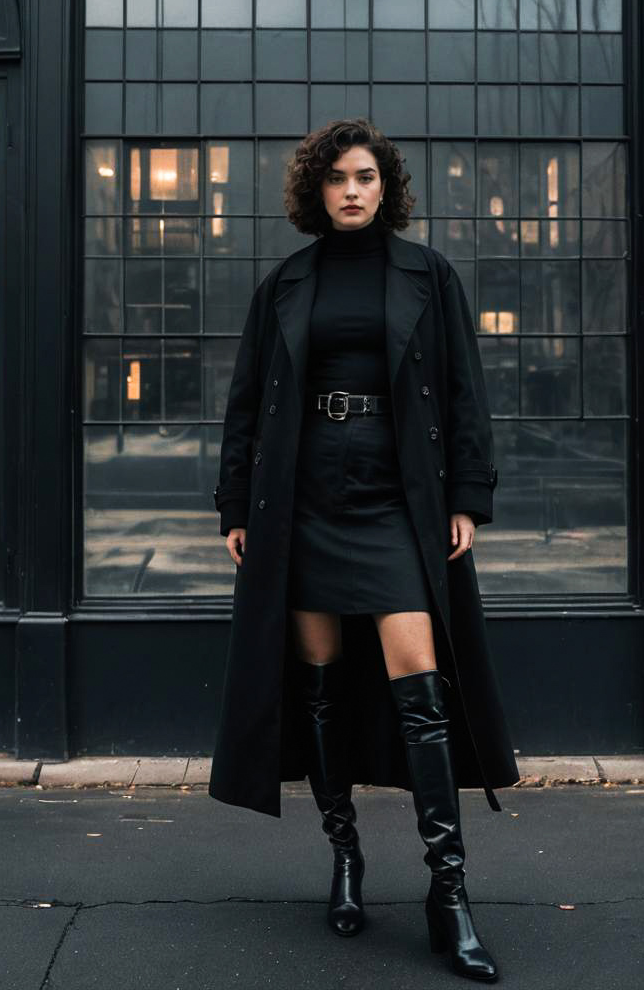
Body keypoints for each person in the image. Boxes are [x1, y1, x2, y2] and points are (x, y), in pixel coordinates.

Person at [213, 118, 516, 983]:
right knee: (315, 692)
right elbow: (245, 406)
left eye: (367, 177)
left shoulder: (429, 274)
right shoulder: (284, 285)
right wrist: (235, 502)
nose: (353, 190)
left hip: (395, 500)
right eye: (338, 178)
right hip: (304, 501)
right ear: (317, 190)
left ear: (388, 189)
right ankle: (344, 856)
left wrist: (468, 495)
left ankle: (447, 891)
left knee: (420, 685)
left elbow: (464, 393)